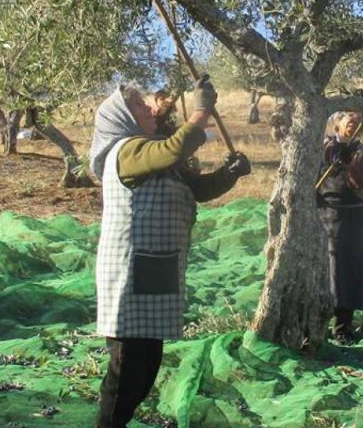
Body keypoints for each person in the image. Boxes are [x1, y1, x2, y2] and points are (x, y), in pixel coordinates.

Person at [87, 76, 251, 428]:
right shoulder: (127, 151)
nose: (150, 107)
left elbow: (196, 189)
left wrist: (228, 174)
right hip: (129, 275)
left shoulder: (152, 153)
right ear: (122, 118)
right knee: (126, 373)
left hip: (155, 269)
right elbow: (176, 148)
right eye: (138, 105)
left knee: (147, 368)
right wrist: (202, 109)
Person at [316, 111, 363, 345]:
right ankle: (316, 322)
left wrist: (351, 165)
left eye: (355, 119)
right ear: (336, 125)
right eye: (346, 117)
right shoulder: (320, 147)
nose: (352, 120)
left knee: (350, 271)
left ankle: (343, 326)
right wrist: (331, 157)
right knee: (328, 270)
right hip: (325, 214)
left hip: (354, 216)